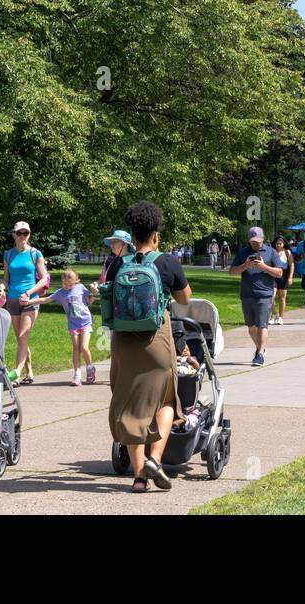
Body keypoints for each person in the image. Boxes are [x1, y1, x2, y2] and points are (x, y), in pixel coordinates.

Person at [106, 200, 191, 493]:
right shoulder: (166, 261)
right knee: (167, 400)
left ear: (132, 233)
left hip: (122, 342)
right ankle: (155, 458)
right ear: (155, 233)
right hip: (156, 339)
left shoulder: (118, 263)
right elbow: (184, 299)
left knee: (130, 406)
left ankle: (139, 477)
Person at [22, 269, 98, 385]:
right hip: (73, 324)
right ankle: (77, 375)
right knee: (76, 349)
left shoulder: (81, 287)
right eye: (65, 284)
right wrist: (28, 302)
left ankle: (90, 368)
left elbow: (89, 301)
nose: (67, 286)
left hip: (85, 322)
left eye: (70, 284)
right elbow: (45, 299)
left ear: (77, 281)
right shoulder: (61, 292)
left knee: (84, 347)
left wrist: (94, 293)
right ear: (62, 281)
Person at [3, 220, 49, 384]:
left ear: (29, 235)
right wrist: (2, 287)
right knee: (20, 338)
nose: (22, 236)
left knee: (23, 336)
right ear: (14, 234)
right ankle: (29, 372)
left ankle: (16, 374)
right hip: (13, 300)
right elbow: (6, 279)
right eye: (19, 233)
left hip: (30, 299)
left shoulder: (35, 253)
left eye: (26, 233)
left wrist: (29, 293)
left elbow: (44, 279)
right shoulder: (8, 254)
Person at [229, 226, 282, 366]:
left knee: (262, 325)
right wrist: (245, 265)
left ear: (263, 239)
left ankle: (259, 354)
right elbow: (232, 272)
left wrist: (264, 267)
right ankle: (261, 348)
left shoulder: (271, 252)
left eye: (258, 241)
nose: (256, 244)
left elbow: (279, 273)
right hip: (246, 294)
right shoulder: (242, 253)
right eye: (253, 241)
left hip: (264, 295)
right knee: (251, 326)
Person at [270, 234, 293, 325]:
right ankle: (274, 314)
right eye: (277, 243)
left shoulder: (287, 252)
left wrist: (290, 277)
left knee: (282, 298)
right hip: (274, 275)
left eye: (280, 243)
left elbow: (292, 265)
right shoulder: (272, 252)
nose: (278, 245)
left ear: (284, 244)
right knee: (271, 297)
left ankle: (280, 317)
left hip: (284, 275)